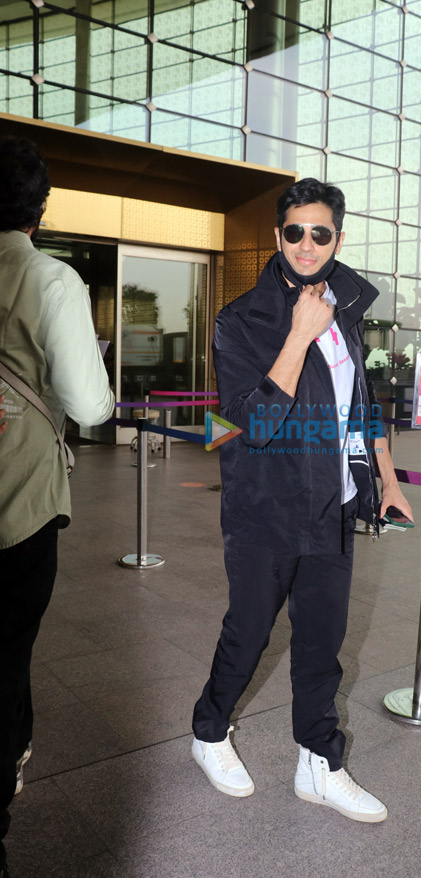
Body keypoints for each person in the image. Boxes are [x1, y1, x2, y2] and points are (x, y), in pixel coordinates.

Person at [191, 178, 413, 823]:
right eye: (295, 232)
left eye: (321, 233)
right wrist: (297, 336)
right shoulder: (242, 320)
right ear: (279, 236)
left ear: (338, 238)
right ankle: (208, 732)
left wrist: (389, 479)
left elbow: (360, 408)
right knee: (251, 632)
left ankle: (320, 763)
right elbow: (246, 425)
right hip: (264, 509)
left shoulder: (345, 312)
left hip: (332, 505)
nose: (307, 245)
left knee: (322, 642)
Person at [0, 136, 115, 878]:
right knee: (6, 653)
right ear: (38, 210)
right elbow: (90, 406)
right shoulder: (49, 280)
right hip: (16, 502)